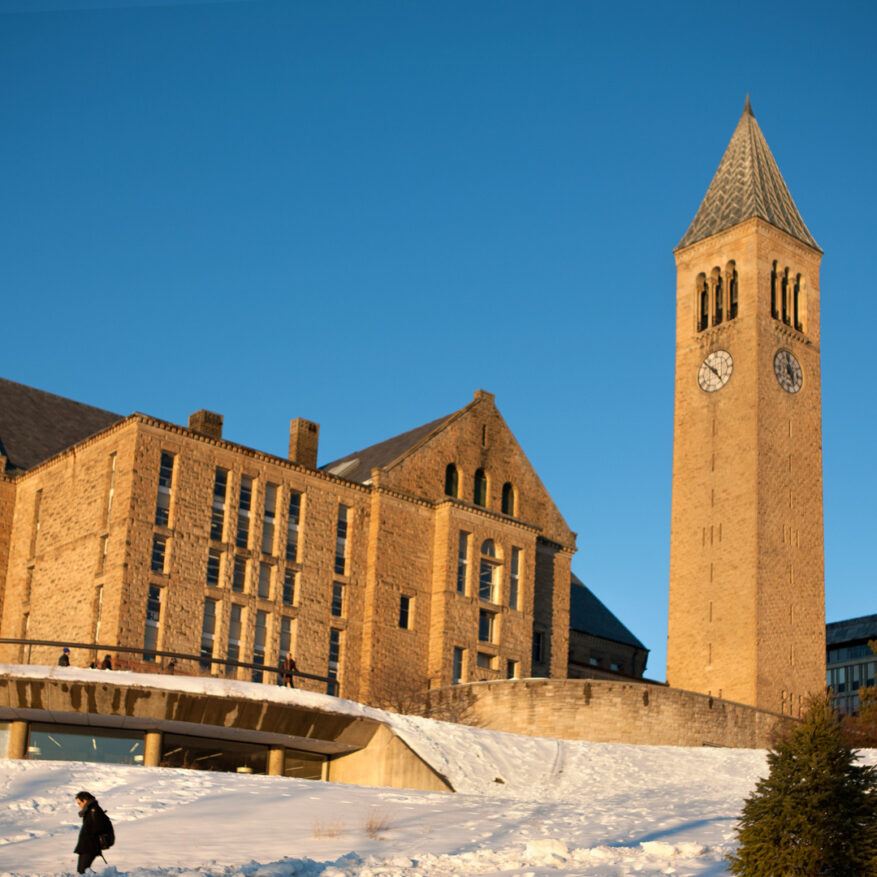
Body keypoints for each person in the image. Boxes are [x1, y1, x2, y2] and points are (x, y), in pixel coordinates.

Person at [73, 791, 112, 874]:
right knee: (83, 871)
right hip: (87, 846)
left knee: (82, 871)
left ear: (85, 800)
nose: (79, 806)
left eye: (79, 803)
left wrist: (89, 839)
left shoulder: (94, 810)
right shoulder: (90, 810)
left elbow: (97, 828)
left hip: (90, 846)